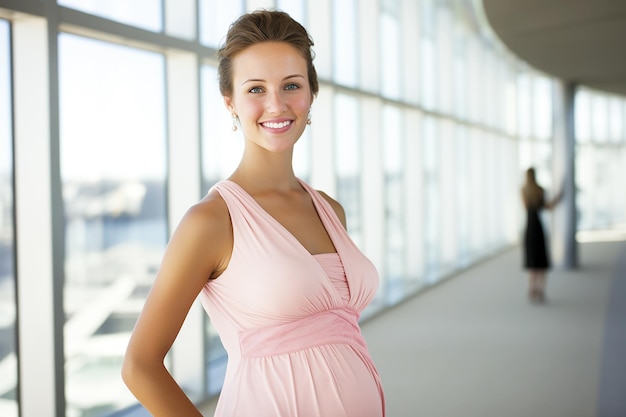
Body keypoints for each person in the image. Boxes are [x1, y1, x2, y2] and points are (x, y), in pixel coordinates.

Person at [122, 9, 385, 417]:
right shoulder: (211, 222)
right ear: (230, 102)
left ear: (311, 94)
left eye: (291, 85)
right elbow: (139, 366)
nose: (276, 105)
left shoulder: (331, 210)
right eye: (256, 89)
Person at [520, 167, 561, 303]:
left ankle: (532, 288)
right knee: (541, 261)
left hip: (529, 227)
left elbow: (525, 207)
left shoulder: (523, 190)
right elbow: (547, 207)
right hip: (538, 227)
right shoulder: (540, 190)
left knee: (532, 262)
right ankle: (541, 289)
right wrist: (558, 199)